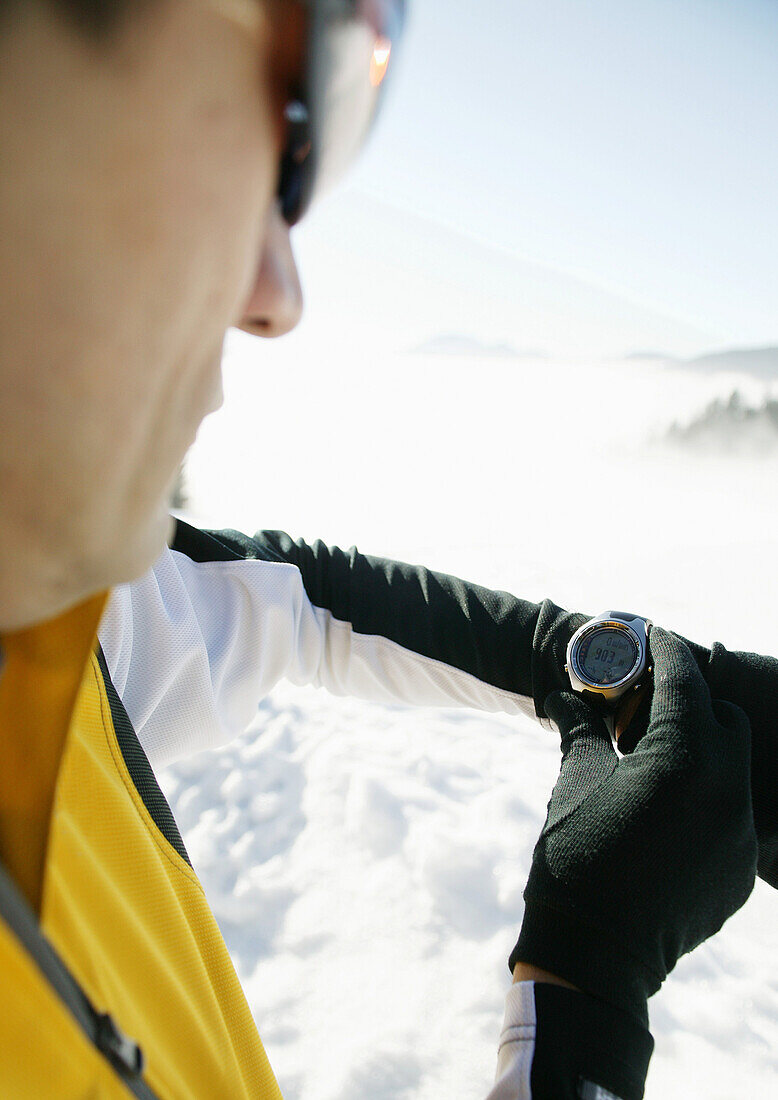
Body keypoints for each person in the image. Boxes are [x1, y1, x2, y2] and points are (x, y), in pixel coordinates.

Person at [0, 1, 769, 1098]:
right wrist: (584, 1000)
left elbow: (297, 594)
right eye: (290, 118)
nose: (280, 295)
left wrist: (596, 663)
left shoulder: (47, 612)